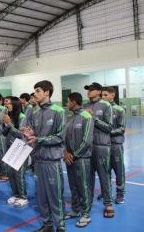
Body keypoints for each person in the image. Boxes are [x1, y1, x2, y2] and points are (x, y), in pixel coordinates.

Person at [24, 80, 66, 232]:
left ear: (47, 92)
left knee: (55, 194)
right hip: (38, 159)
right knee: (41, 196)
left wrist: (39, 139)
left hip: (52, 160)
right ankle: (47, 225)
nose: (35, 94)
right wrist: (30, 134)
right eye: (34, 91)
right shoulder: (34, 112)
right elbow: (34, 133)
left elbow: (60, 136)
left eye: (38, 91)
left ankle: (60, 225)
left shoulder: (58, 111)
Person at [83, 82, 114, 218]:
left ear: (99, 91)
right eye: (88, 89)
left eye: (92, 89)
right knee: (88, 177)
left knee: (104, 175)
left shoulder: (106, 105)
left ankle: (108, 203)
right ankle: (87, 203)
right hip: (87, 147)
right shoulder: (84, 106)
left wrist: (94, 118)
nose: (89, 91)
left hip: (101, 146)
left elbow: (109, 127)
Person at [64, 92, 94, 228]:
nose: (66, 104)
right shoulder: (71, 117)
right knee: (73, 185)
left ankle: (86, 214)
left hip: (81, 158)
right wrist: (66, 152)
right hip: (69, 158)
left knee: (83, 186)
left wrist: (74, 155)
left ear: (74, 102)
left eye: (68, 101)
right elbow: (65, 138)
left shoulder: (86, 117)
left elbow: (86, 141)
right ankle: (76, 210)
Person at [3, 96, 29, 208]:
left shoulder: (23, 117)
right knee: (11, 173)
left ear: (15, 105)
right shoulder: (9, 116)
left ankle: (23, 197)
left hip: (21, 148)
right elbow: (3, 133)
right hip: (10, 148)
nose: (6, 105)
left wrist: (10, 124)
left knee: (19, 174)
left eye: (9, 104)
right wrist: (6, 124)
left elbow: (22, 135)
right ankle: (16, 194)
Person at [102, 86, 126, 204]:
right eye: (102, 95)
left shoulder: (119, 110)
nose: (103, 97)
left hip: (115, 144)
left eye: (106, 95)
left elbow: (122, 128)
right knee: (105, 170)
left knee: (119, 169)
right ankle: (106, 192)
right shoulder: (102, 110)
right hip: (103, 145)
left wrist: (108, 131)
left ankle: (120, 194)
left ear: (113, 95)